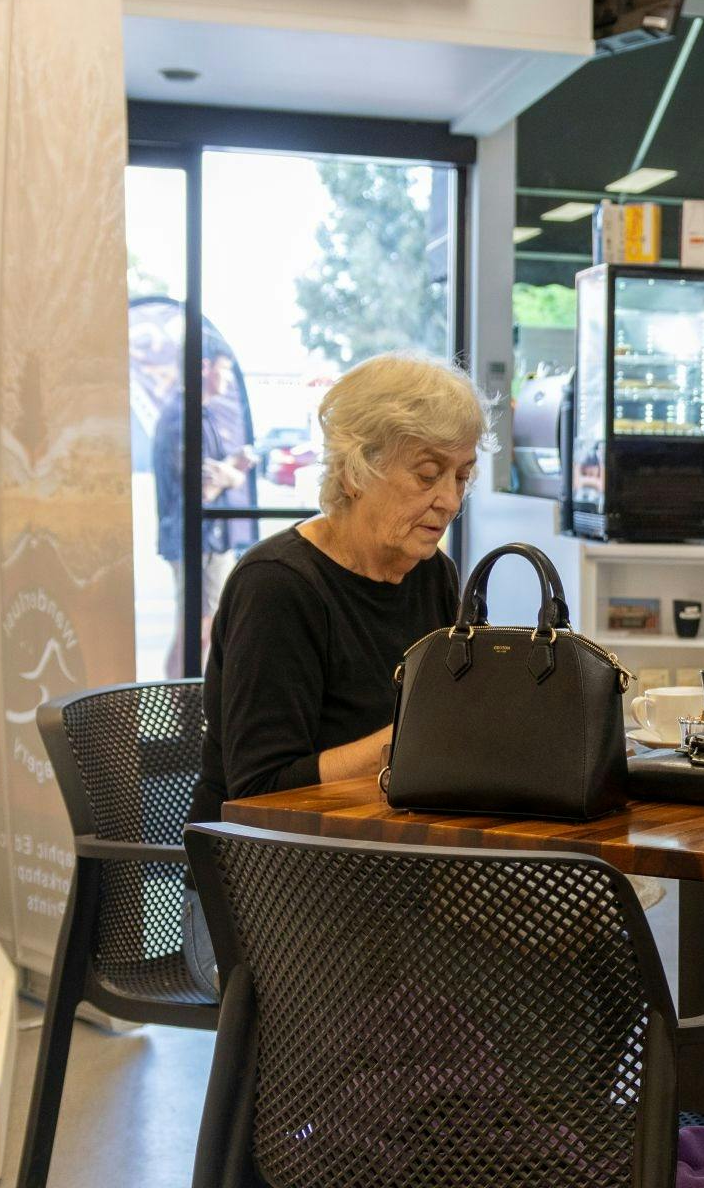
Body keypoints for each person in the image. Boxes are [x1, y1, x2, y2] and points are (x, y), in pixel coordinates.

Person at [183, 352, 492, 992]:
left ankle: (508, 1096)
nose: (449, 500)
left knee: (582, 943)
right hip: (257, 898)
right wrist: (408, 741)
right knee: (486, 977)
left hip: (388, 875)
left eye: (462, 476)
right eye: (428, 474)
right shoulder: (279, 587)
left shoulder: (431, 572)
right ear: (357, 468)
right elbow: (260, 790)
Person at [153, 351, 258, 677]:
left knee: (203, 628)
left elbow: (212, 478)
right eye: (223, 370)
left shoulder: (201, 415)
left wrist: (225, 472)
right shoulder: (181, 417)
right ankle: (184, 715)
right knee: (196, 631)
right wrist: (235, 470)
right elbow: (202, 486)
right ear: (203, 367)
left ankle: (187, 712)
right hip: (196, 540)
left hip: (208, 541)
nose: (227, 380)